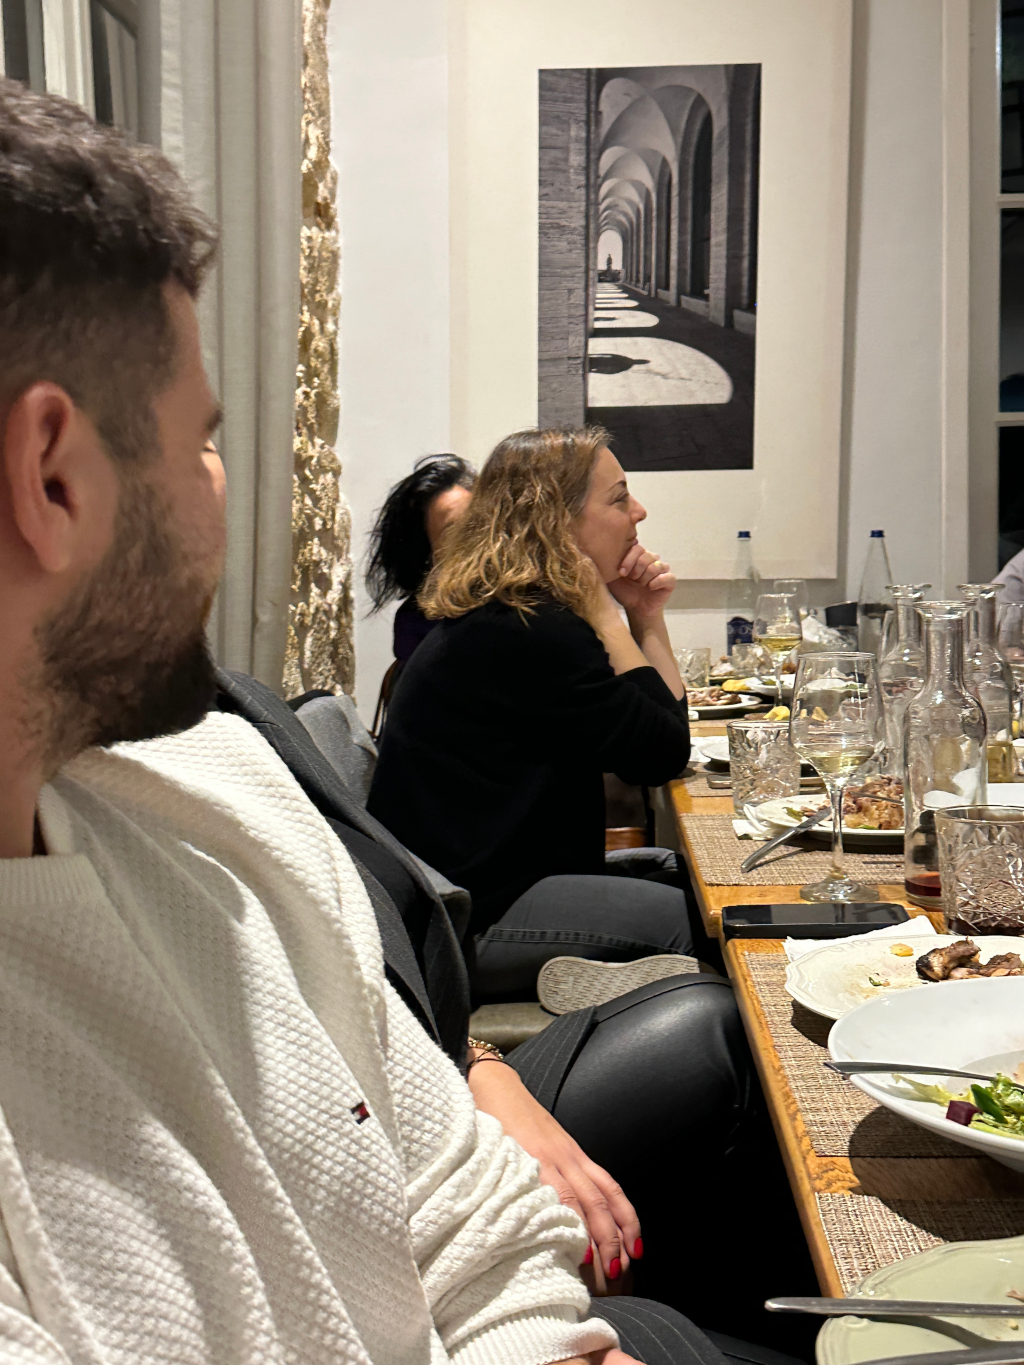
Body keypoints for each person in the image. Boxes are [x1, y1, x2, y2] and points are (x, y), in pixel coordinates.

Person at [0, 79, 810, 1365]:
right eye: (201, 441)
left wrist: (541, 1338)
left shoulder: (221, 785)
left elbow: (462, 1204)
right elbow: (658, 746)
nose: (223, 491)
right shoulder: (513, 635)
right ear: (52, 477)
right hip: (492, 912)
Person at [367, 428, 697, 1001]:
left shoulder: (515, 611)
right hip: (466, 925)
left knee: (699, 885)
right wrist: (610, 617)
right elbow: (661, 755)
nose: (638, 511)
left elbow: (660, 733)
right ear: (557, 521)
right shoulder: (528, 628)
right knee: (706, 925)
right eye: (619, 498)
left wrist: (645, 614)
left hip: (496, 889)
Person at [367, 454, 476, 666]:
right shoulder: (418, 626)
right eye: (453, 532)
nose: (475, 538)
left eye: (476, 523)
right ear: (429, 555)